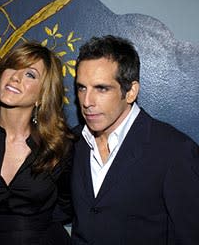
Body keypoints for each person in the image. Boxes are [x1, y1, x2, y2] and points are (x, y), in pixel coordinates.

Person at [70, 35, 199, 245]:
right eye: (82, 87)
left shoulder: (175, 151)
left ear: (130, 92)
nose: (86, 101)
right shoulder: (73, 141)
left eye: (101, 88)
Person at [0, 42, 74, 245]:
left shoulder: (57, 146)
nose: (15, 77)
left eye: (30, 74)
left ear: (41, 95)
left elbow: (66, 205)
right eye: (12, 67)